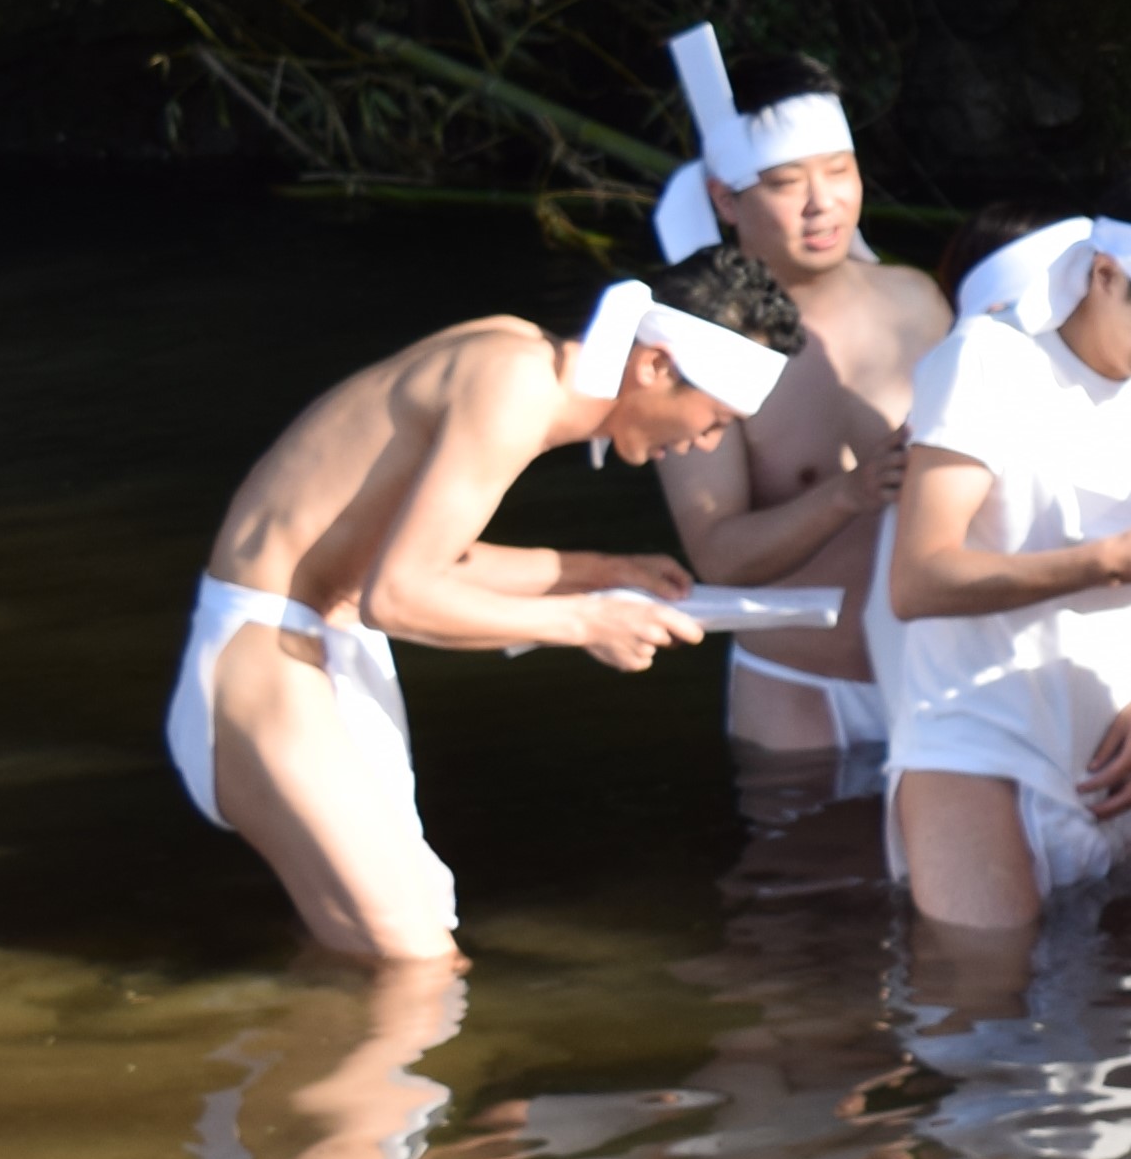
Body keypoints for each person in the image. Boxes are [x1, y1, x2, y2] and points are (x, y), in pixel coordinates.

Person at [169, 255, 791, 959]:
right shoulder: (515, 385)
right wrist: (588, 621)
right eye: (715, 419)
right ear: (654, 365)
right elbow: (397, 596)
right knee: (419, 967)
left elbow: (415, 555)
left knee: (371, 957)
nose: (704, 443)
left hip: (305, 653)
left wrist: (597, 574)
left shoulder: (517, 351)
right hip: (266, 661)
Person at [876, 160, 1131, 928]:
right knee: (981, 982)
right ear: (1105, 274)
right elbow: (918, 579)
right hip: (973, 732)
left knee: (1101, 986)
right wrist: (1108, 562)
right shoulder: (987, 360)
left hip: (1110, 738)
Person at [639, 25, 951, 768]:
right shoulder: (695, 348)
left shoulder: (915, 299)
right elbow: (717, 554)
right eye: (785, 183)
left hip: (942, 672)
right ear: (726, 198)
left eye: (840, 171)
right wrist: (847, 494)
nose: (823, 203)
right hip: (805, 684)